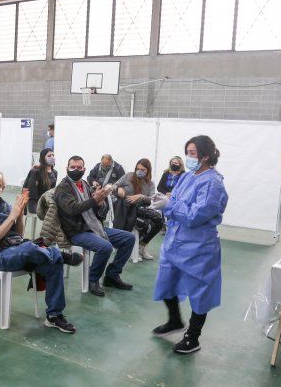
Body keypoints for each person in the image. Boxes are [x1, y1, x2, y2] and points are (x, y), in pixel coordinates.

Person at [0, 170, 82, 332]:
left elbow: (18, 235)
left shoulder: (4, 205)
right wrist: (12, 216)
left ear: (4, 187)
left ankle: (54, 316)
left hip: (16, 249)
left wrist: (20, 214)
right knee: (33, 248)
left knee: (51, 263)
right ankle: (59, 255)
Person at [151, 135, 228, 355]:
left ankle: (192, 337)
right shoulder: (188, 176)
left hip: (199, 246)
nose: (188, 157)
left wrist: (170, 207)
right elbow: (175, 200)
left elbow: (196, 215)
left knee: (200, 292)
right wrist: (164, 201)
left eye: (193, 153)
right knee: (166, 282)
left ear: (205, 156)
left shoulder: (213, 183)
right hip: (175, 241)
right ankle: (175, 320)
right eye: (188, 152)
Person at [54, 156, 135, 297]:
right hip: (76, 231)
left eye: (79, 168)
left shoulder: (85, 185)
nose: (76, 170)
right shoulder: (62, 188)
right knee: (105, 247)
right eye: (72, 167)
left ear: (84, 169)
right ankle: (93, 279)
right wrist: (94, 200)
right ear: (67, 169)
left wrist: (99, 203)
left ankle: (112, 275)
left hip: (93, 226)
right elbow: (72, 209)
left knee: (129, 238)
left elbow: (96, 211)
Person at [113, 158, 164, 260]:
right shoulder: (128, 176)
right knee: (145, 224)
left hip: (140, 210)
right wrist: (118, 188)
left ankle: (141, 246)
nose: (139, 171)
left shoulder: (150, 184)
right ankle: (131, 248)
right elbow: (114, 185)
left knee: (159, 222)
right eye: (138, 168)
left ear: (148, 171)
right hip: (126, 210)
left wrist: (141, 196)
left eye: (143, 170)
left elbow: (152, 200)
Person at [22, 148, 57, 215]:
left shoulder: (55, 173)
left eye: (53, 155)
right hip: (35, 203)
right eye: (49, 156)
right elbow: (32, 192)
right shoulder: (36, 172)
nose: (52, 157)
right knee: (52, 212)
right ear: (43, 158)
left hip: (48, 201)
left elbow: (52, 191)